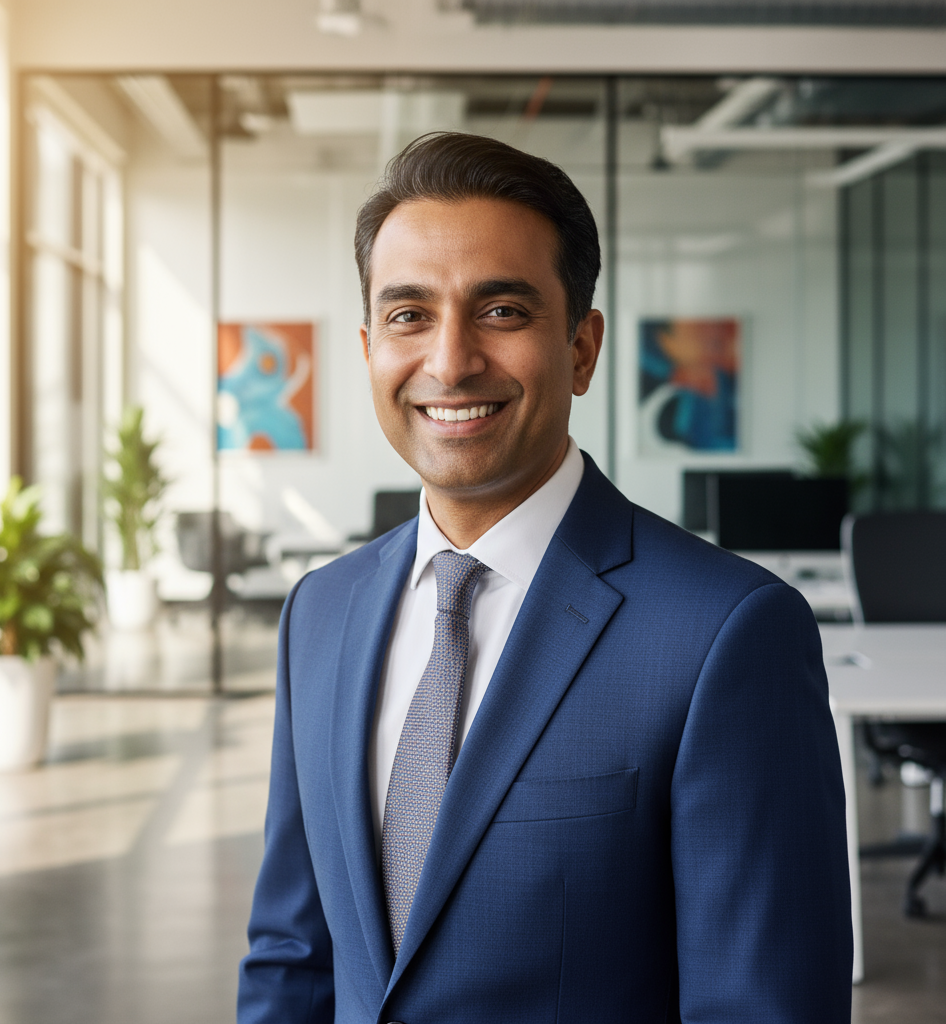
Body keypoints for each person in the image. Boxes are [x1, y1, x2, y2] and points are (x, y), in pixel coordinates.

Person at [238, 132, 853, 1023]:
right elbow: (293, 956)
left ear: (581, 347)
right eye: (410, 315)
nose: (449, 363)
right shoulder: (319, 613)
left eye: (501, 311)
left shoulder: (728, 632)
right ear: (371, 346)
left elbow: (763, 1007)